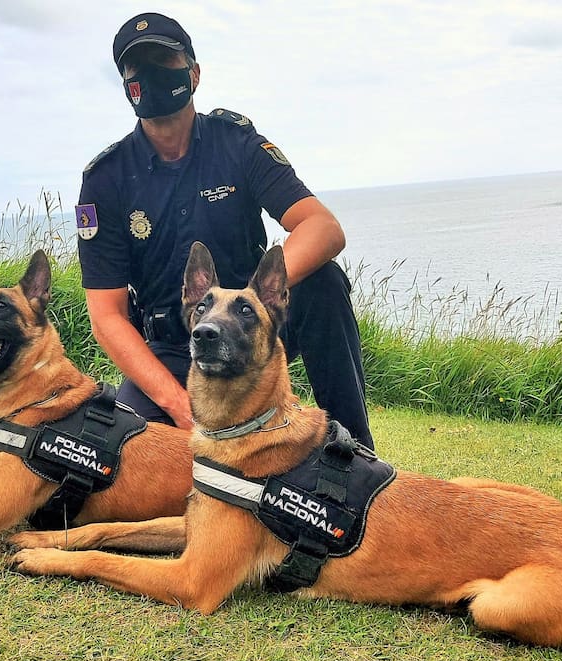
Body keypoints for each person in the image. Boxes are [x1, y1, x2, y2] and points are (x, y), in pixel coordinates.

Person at [74, 12, 375, 449]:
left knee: (324, 281)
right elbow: (107, 316)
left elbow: (323, 228)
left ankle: (354, 450)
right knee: (122, 460)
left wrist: (249, 303)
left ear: (193, 73)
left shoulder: (236, 143)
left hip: (252, 334)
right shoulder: (106, 178)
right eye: (136, 68)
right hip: (173, 350)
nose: (150, 75)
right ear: (125, 85)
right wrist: (180, 405)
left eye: (163, 59)